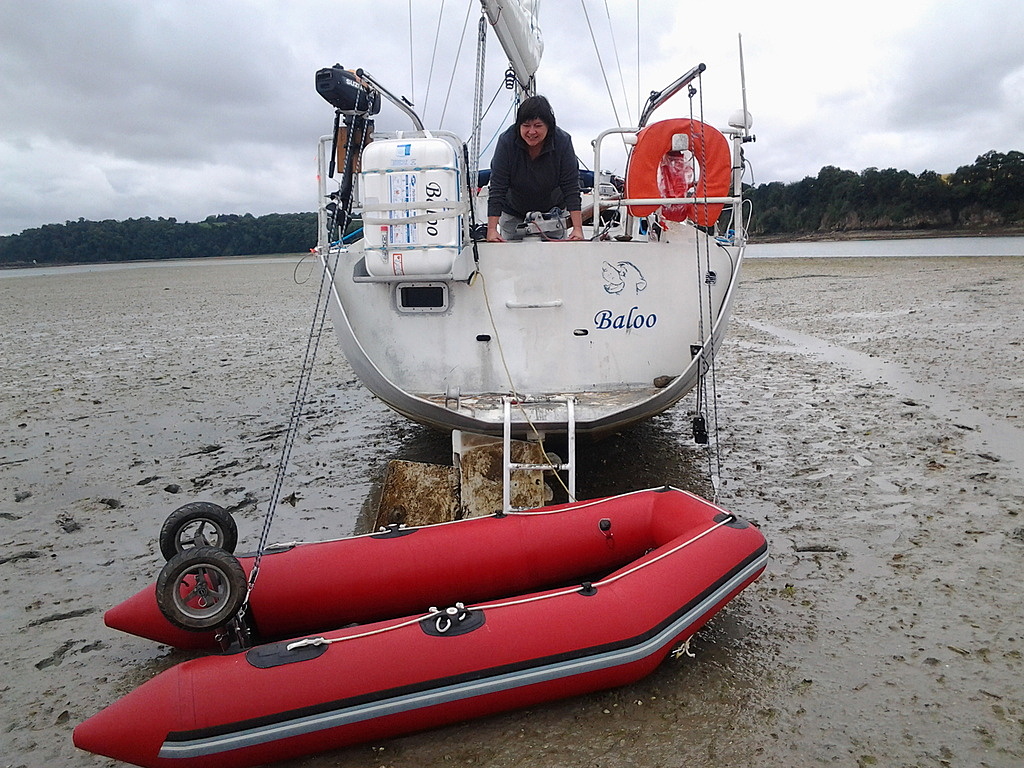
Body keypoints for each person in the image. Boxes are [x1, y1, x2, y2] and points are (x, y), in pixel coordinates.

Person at [486, 95, 584, 242]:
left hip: (553, 215)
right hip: (513, 214)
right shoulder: (506, 142)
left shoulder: (563, 142)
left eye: (538, 126)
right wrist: (492, 230)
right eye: (526, 125)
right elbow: (497, 187)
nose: (531, 132)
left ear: (549, 126)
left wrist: (577, 228)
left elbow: (571, 187)